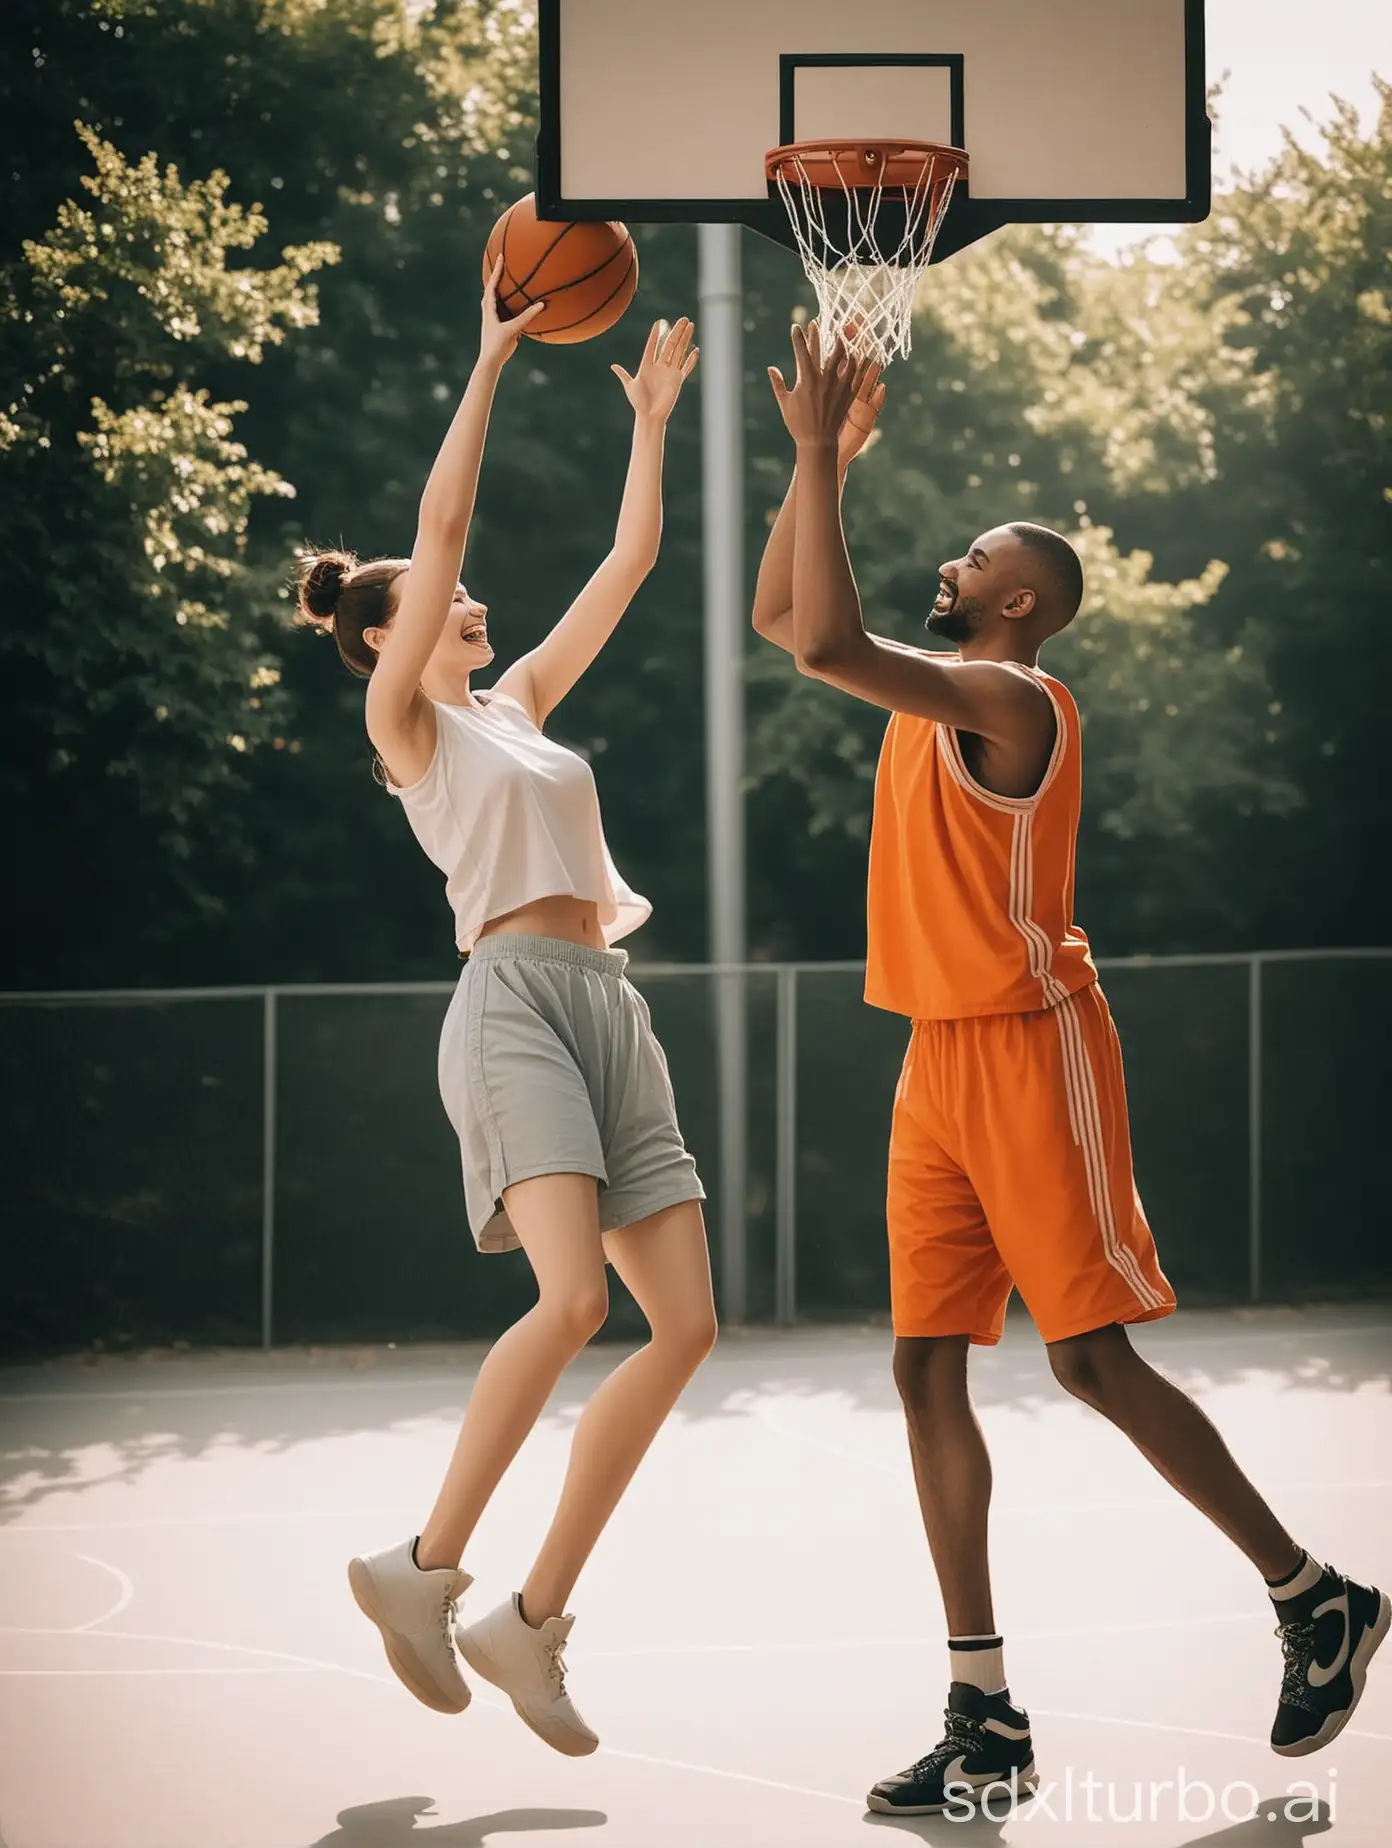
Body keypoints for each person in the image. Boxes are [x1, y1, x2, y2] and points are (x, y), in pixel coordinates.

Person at [752, 324, 1389, 1816]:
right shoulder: (936, 686)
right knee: (923, 1368)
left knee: (1088, 1358)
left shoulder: (1015, 701)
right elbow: (792, 620)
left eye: (974, 557)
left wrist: (807, 458)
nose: (955, 563)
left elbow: (829, 644)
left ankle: (1315, 1597)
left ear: (1017, 599)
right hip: (936, 1058)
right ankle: (983, 1714)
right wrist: (824, 470)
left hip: (1037, 1054)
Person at [298, 269, 714, 1758]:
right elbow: (438, 531)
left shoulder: (520, 704)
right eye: (440, 601)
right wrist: (486, 364)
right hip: (510, 1007)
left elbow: (632, 558)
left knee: (686, 1327)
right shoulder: (405, 724)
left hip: (608, 1001)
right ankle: (420, 1570)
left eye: (464, 602)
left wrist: (652, 423)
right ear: (385, 643)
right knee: (573, 1301)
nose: (470, 597)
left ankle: (526, 1623)